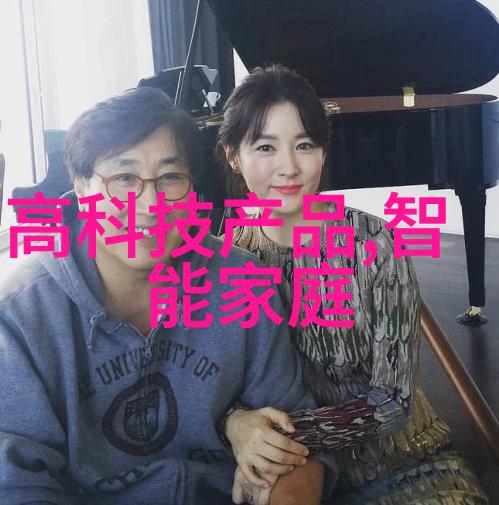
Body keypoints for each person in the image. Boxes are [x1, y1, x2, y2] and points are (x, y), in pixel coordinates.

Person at [0, 87, 336, 505]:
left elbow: (298, 442)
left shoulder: (243, 281)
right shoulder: (20, 317)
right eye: (124, 179)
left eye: (170, 178)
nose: (150, 204)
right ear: (81, 187)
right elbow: (18, 486)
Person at [218, 65, 489, 504]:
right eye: (265, 147)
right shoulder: (227, 257)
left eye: (304, 145)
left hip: (405, 466)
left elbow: (393, 400)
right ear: (234, 155)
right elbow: (215, 380)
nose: (288, 167)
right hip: (291, 472)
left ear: (323, 152)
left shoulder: (375, 244)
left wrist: (271, 435)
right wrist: (235, 424)